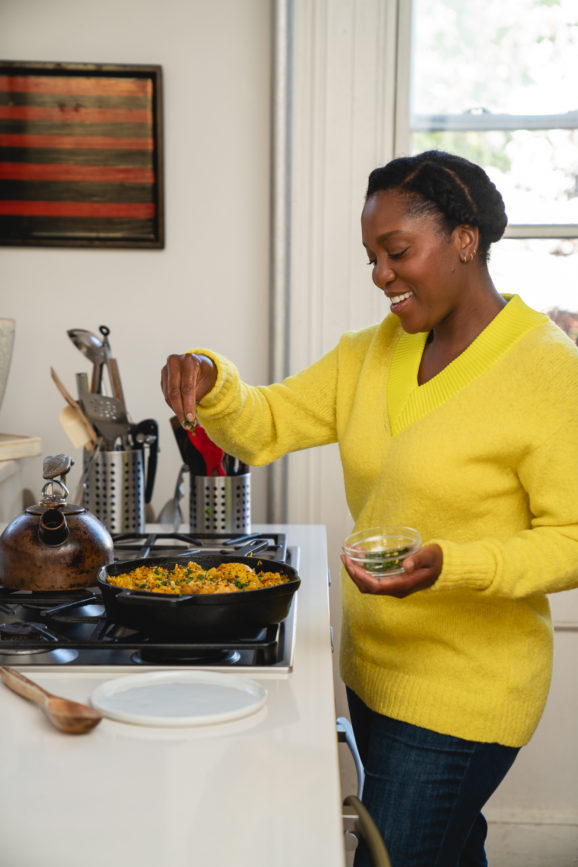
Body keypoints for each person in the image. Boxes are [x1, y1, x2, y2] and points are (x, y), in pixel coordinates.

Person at [161, 150, 578, 867]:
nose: (382, 275)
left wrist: (456, 564)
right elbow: (262, 424)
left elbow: (571, 538)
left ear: (465, 240)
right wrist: (212, 377)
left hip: (467, 693)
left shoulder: (546, 368)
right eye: (372, 259)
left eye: (396, 252)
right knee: (446, 848)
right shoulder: (371, 352)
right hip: (373, 672)